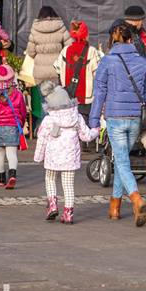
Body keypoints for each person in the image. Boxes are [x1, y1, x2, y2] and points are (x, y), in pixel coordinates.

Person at [88, 21, 146, 227]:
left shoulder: (107, 61)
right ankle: (114, 207)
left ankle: (136, 198)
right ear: (131, 39)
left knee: (122, 161)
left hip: (115, 117)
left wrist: (93, 120)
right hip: (135, 116)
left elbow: (99, 93)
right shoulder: (142, 62)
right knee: (122, 159)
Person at [34, 81, 98, 224]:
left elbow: (42, 139)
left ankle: (52, 205)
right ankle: (68, 213)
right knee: (68, 185)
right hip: (70, 158)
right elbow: (86, 136)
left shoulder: (49, 120)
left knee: (50, 179)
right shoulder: (77, 117)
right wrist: (96, 131)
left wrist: (38, 157)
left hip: (52, 158)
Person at [0, 65, 28, 190]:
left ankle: (1, 178)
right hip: (12, 126)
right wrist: (22, 123)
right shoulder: (17, 94)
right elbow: (23, 112)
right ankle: (12, 174)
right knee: (11, 153)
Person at [55, 20, 102, 117]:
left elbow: (57, 69)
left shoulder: (65, 50)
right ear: (86, 35)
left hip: (68, 98)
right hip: (86, 101)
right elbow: (98, 75)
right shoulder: (92, 51)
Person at [25, 6, 71, 85]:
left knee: (41, 96)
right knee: (57, 95)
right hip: (57, 70)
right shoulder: (60, 26)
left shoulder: (35, 28)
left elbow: (31, 52)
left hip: (40, 72)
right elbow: (70, 48)